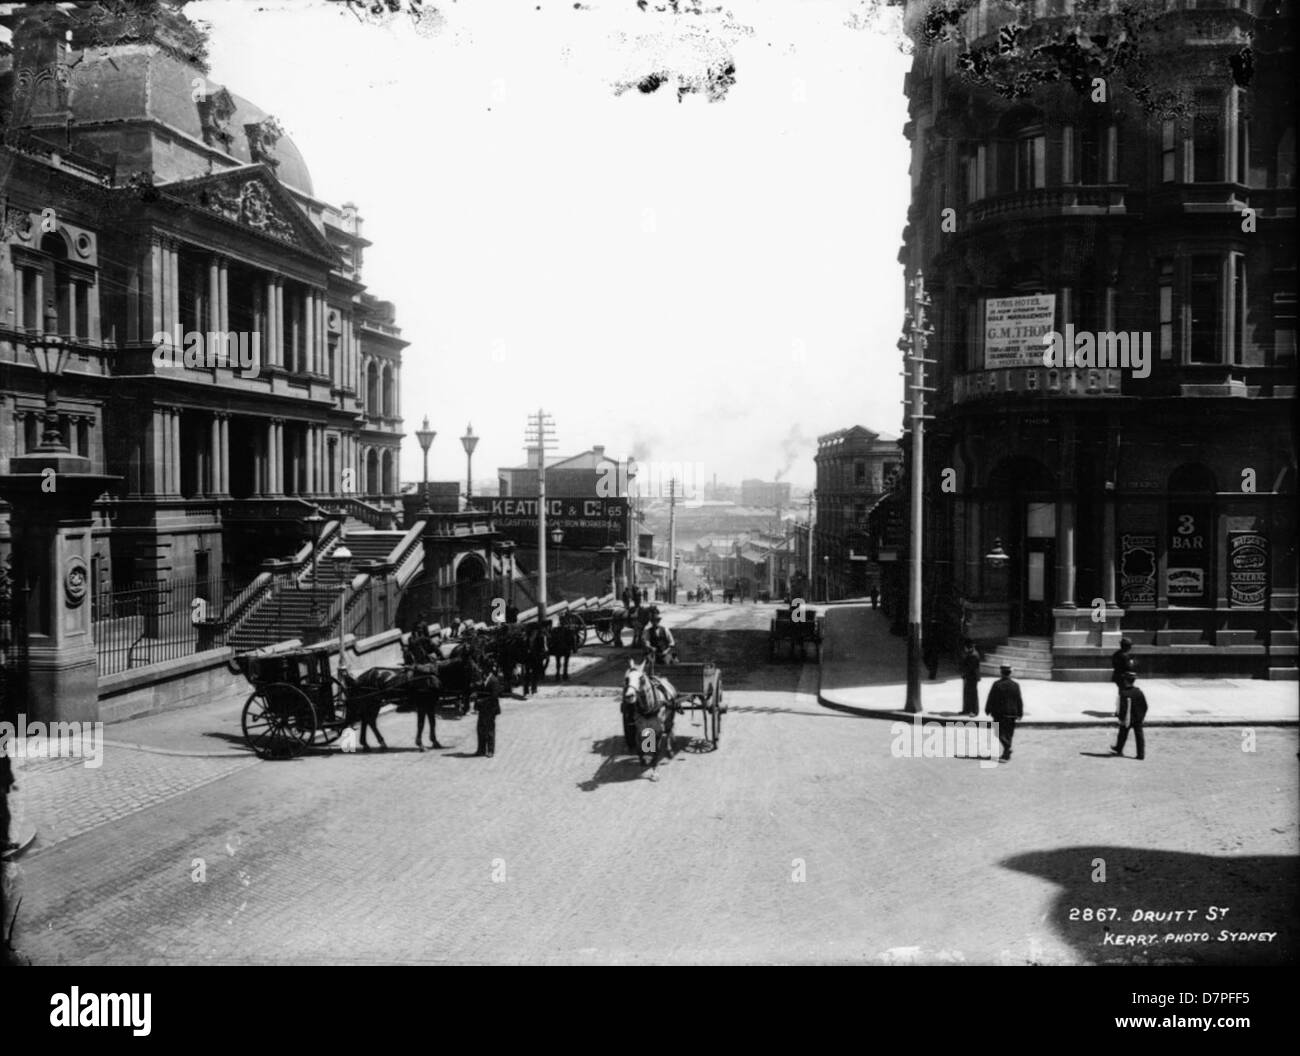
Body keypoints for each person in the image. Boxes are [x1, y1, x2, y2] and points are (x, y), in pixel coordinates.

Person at [984, 664, 1024, 762]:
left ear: (1001, 673)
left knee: (999, 733)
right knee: (1009, 733)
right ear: (1010, 673)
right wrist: (1020, 713)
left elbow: (991, 698)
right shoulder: (1015, 685)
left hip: (999, 713)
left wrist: (988, 709)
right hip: (1011, 713)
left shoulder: (997, 684)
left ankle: (1007, 750)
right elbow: (1019, 700)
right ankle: (1007, 751)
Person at [1111, 671, 1147, 760]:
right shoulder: (1139, 692)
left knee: (1122, 733)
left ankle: (1119, 749)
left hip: (1127, 718)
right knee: (1139, 736)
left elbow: (1123, 708)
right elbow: (1145, 706)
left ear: (1126, 681)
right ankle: (1140, 754)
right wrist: (1141, 717)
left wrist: (1121, 718)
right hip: (1138, 718)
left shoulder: (1124, 693)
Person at [474, 662, 505, 757]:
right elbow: (479, 692)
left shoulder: (494, 681)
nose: (482, 671)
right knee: (480, 728)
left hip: (491, 708)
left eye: (484, 669)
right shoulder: (483, 679)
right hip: (483, 709)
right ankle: (481, 749)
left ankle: (490, 750)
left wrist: (481, 701)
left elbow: (494, 696)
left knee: (490, 729)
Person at [1111, 637, 1135, 714]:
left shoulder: (1116, 654)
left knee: (1120, 693)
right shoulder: (1125, 656)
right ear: (1127, 646)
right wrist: (1132, 663)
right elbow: (1129, 667)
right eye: (1129, 646)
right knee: (1124, 695)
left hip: (1117, 676)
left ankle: (1119, 710)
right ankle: (1122, 711)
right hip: (1124, 678)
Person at [522, 623, 548, 697]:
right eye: (533, 631)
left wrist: (543, 653)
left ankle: (533, 688)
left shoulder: (540, 638)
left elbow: (544, 647)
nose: (534, 632)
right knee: (527, 674)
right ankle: (526, 690)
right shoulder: (527, 638)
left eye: (535, 631)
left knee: (535, 673)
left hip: (536, 657)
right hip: (529, 657)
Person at [959, 638, 982, 716]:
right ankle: (967, 709)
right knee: (967, 693)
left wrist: (964, 674)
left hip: (972, 677)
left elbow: (970, 668)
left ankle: (974, 711)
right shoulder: (971, 653)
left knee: (972, 694)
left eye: (965, 648)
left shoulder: (973, 655)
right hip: (969, 676)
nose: (964, 649)